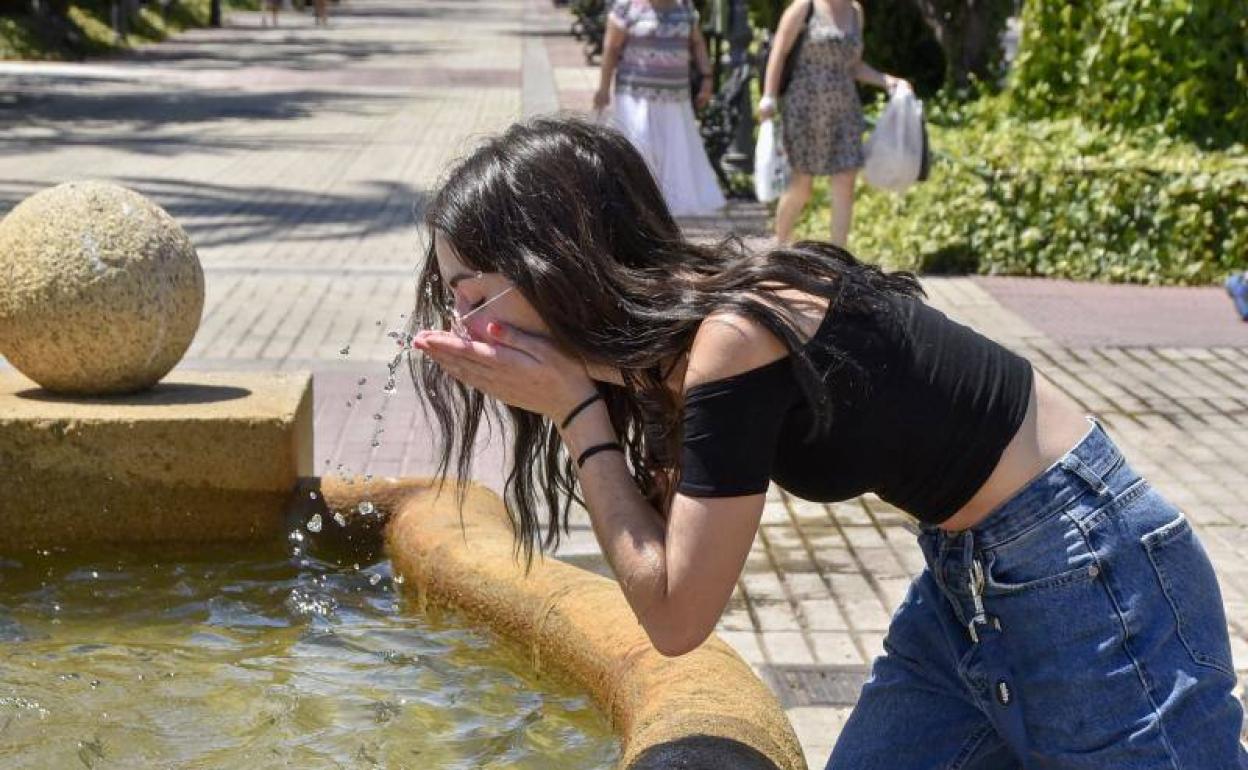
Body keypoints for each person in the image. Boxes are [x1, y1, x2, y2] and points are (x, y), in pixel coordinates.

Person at [408, 117, 1248, 769]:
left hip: (1083, 566)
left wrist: (574, 414)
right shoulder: (669, 357)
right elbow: (667, 570)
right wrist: (591, 397)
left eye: (472, 297)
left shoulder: (735, 334)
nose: (463, 329)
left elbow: (676, 615)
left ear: (552, 267)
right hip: (971, 587)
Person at [760, 0, 908, 247]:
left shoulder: (855, 11)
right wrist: (768, 97)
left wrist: (888, 81)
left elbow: (854, 65)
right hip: (805, 110)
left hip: (845, 112)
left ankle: (839, 260)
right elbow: (779, 52)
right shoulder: (804, 7)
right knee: (801, 186)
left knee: (844, 183)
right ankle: (780, 246)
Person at [594, 0, 726, 217]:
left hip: (676, 96)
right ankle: (638, 203)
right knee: (640, 149)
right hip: (636, 96)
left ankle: (670, 203)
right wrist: (603, 88)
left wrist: (707, 78)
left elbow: (697, 44)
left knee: (676, 152)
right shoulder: (626, 6)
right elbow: (611, 47)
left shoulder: (684, 7)